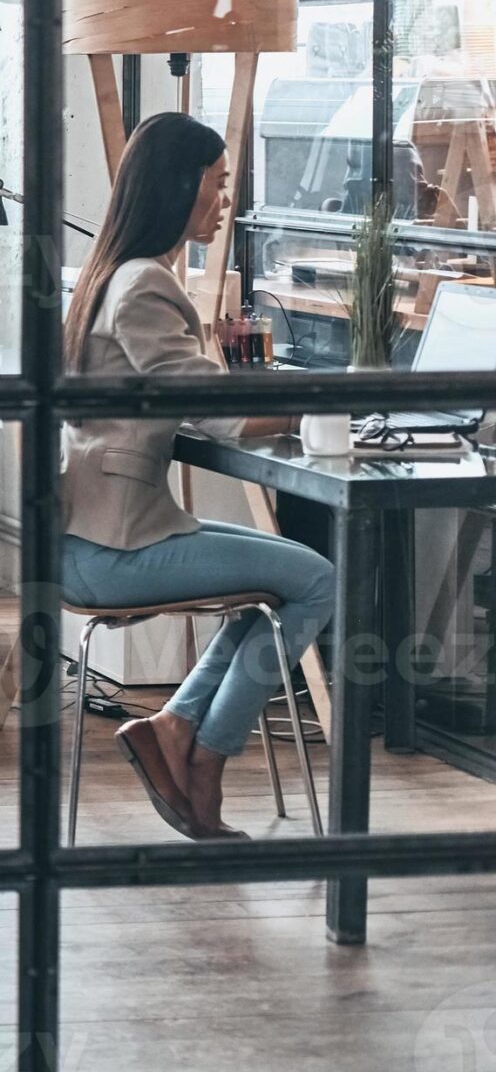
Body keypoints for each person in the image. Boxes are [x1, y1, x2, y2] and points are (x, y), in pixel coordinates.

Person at [58, 111, 332, 840]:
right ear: (180, 187)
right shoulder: (146, 282)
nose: (223, 201)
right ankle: (207, 757)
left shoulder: (109, 274)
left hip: (96, 532)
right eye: (215, 185)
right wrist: (317, 412)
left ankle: (176, 725)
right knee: (316, 581)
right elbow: (211, 410)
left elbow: (176, 396)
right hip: (114, 551)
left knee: (270, 586)